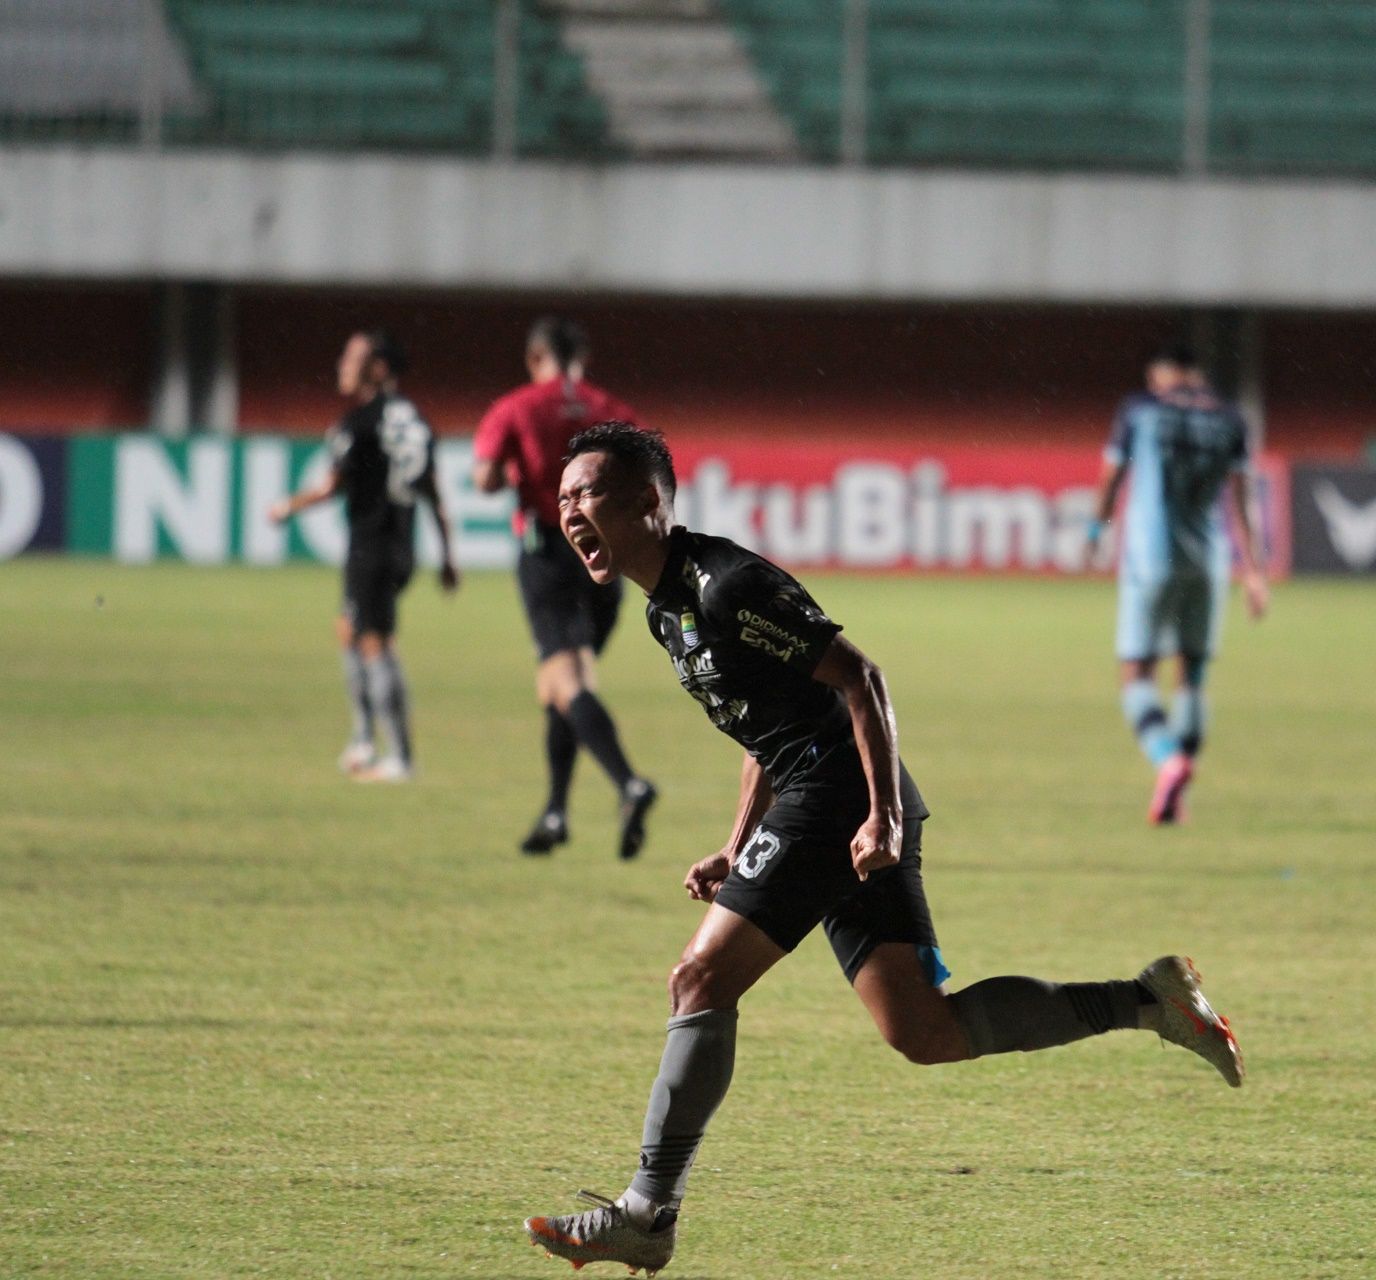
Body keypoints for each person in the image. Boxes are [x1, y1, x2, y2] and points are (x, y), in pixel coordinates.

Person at [520, 422, 1245, 1276]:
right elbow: (767, 728)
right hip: (822, 796)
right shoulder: (665, 607)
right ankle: (1150, 1001)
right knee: (922, 1029)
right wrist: (735, 844)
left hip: (839, 799)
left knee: (699, 978)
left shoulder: (726, 586)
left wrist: (883, 820)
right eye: (563, 497)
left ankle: (647, 1211)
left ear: (647, 501)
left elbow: (861, 678)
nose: (570, 512)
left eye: (588, 494)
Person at [473, 318, 659, 858]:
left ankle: (629, 783)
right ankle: (555, 814)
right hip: (605, 556)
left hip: (549, 552)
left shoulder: (517, 406)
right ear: (582, 357)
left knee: (567, 682)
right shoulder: (610, 408)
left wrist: (515, 475)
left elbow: (484, 477)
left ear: (536, 357)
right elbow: (651, 468)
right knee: (563, 688)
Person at [1089, 344, 1269, 825]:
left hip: (1151, 556)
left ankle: (1169, 760)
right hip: (1208, 561)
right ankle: (1179, 793)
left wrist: (1095, 528)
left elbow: (1112, 477)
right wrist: (1253, 571)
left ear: (1162, 373)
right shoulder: (1231, 417)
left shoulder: (1141, 410)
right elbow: (1245, 498)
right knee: (1192, 675)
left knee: (1137, 672)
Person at [270, 329, 457, 782]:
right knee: (349, 629)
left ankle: (399, 757)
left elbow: (332, 487)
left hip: (370, 546)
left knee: (375, 643)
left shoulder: (357, 424)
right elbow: (433, 491)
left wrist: (287, 506)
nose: (342, 365)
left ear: (378, 368)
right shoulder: (416, 420)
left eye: (352, 358)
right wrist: (449, 554)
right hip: (402, 544)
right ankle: (364, 739)